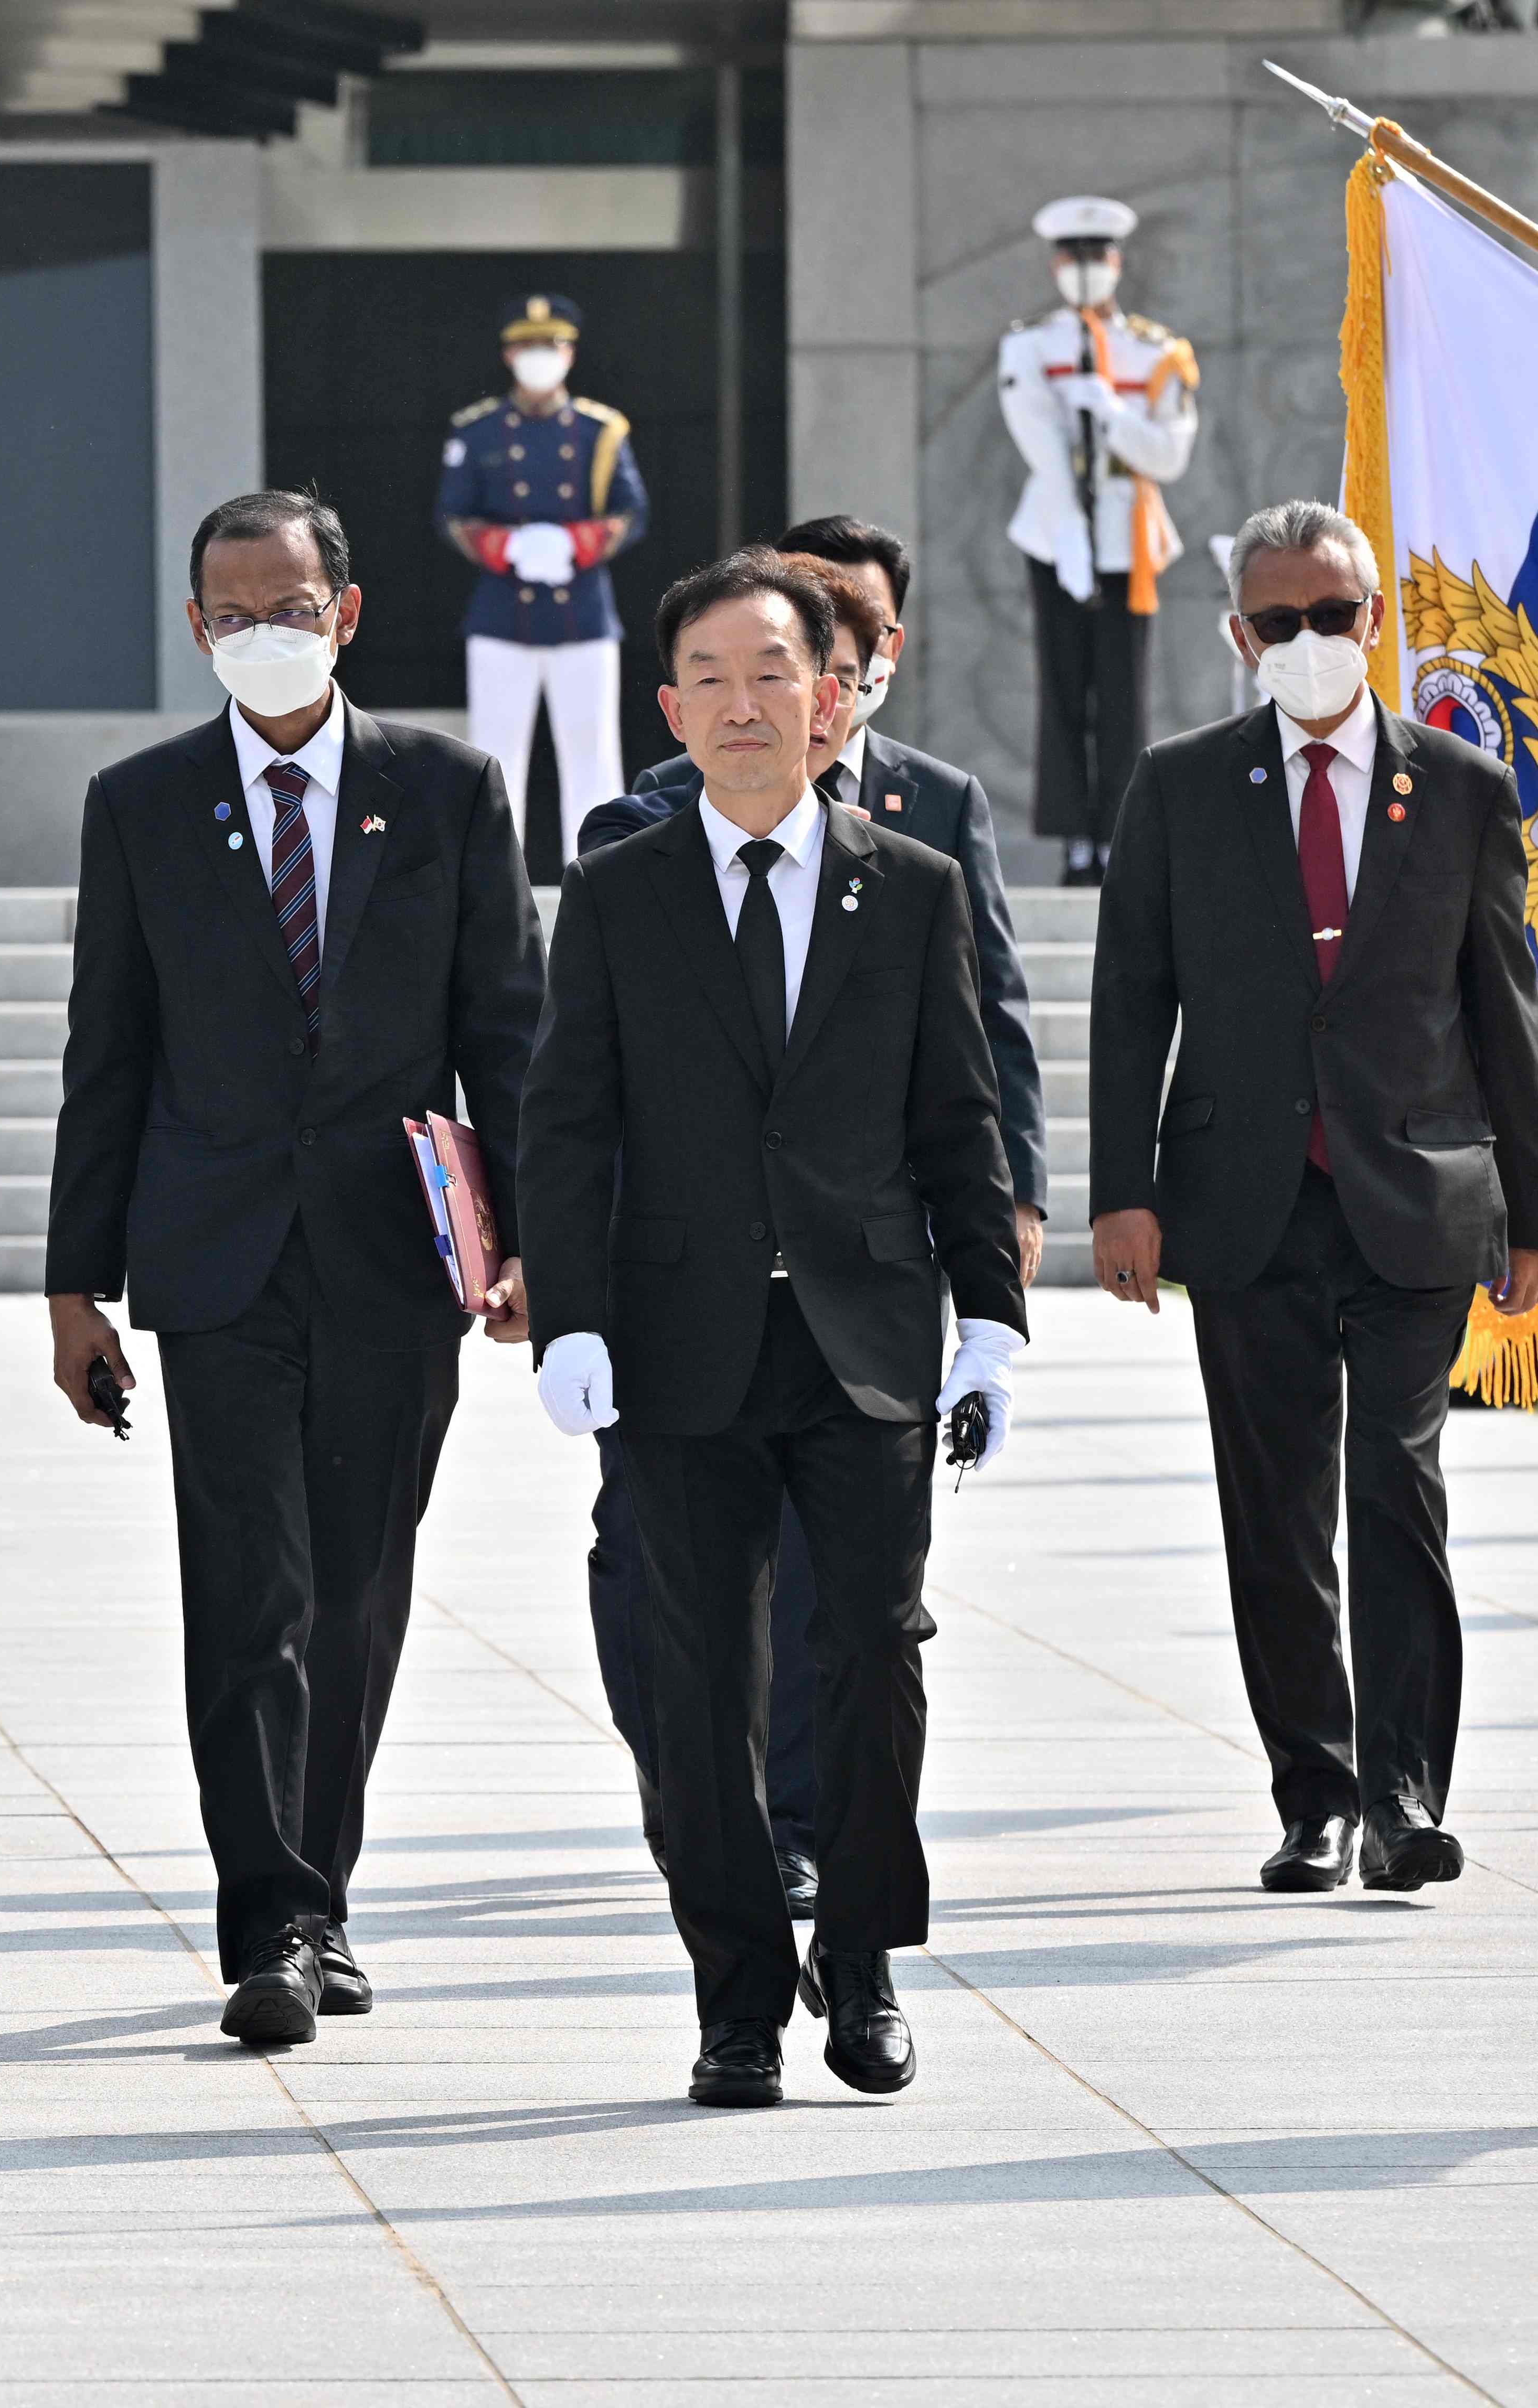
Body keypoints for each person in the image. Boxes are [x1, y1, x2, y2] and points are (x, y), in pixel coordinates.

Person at [527, 549, 1026, 2110]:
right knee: (700, 1682)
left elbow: (959, 1123)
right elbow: (567, 1126)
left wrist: (992, 1323)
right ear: (670, 710)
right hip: (677, 1351)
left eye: (773, 673)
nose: (744, 706)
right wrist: (572, 1318)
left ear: (832, 694)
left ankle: (863, 1964)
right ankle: (736, 1994)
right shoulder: (618, 891)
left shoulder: (912, 885)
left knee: (876, 1651)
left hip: (865, 1337)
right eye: (711, 681)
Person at [46, 490, 542, 2048]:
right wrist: (77, 1283)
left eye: (293, 605)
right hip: (219, 1257)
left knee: (356, 1591)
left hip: (400, 1251)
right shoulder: (142, 803)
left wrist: (532, 1240)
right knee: (245, 1590)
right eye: (234, 611)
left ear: (349, 611)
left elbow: (508, 1035)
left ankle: (322, 1881)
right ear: (198, 628)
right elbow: (107, 1053)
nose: (266, 632)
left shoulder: (449, 792)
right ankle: (272, 1914)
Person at [1090, 499, 1538, 1898]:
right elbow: (1127, 1001)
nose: (1307, 642)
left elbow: (1507, 1009)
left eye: (1331, 616)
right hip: (1243, 1199)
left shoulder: (1463, 789)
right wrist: (1121, 1193)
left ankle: (1408, 1799)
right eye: (1275, 622)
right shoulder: (1179, 784)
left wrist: (1535, 1210)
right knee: (1274, 1507)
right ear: (1236, 636)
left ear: (1377, 620)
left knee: (1394, 1488)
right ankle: (1319, 1797)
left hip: (1417, 1187)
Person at [999, 196, 1200, 884]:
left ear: (1116, 264)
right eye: (1073, 257)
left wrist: (1116, 417)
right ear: (1058, 265)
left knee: (1124, 693)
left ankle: (1116, 835)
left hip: (1130, 539)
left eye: (1097, 256)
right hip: (1056, 533)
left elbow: (1169, 456)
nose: (1084, 269)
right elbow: (1038, 439)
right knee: (1061, 689)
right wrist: (1070, 533)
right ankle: (1072, 842)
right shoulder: (1030, 344)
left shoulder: (1158, 350)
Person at [439, 293, 646, 864]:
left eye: (549, 346)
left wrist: (577, 543)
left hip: (582, 613)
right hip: (503, 615)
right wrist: (502, 546)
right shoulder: (476, 432)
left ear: (570, 353)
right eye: (528, 346)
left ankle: (605, 877)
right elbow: (452, 514)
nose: (539, 357)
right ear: (509, 355)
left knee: (594, 759)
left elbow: (632, 512)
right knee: (495, 758)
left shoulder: (599, 430)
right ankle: (494, 887)